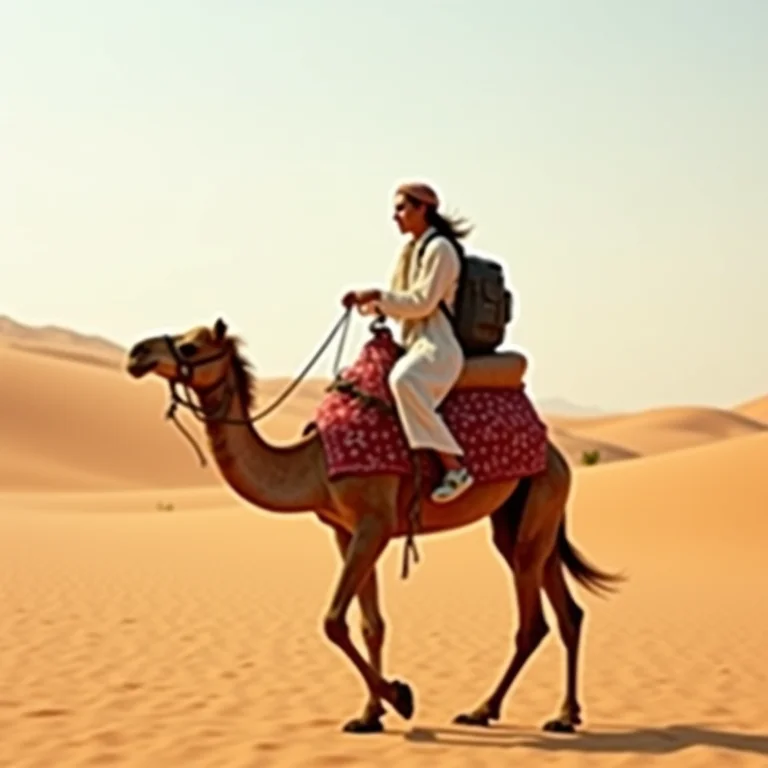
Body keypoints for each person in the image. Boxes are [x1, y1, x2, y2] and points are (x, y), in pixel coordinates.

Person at [341, 181, 474, 504]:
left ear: (423, 209)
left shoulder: (440, 250)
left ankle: (454, 467)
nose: (395, 216)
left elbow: (421, 303)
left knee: (404, 380)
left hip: (437, 347)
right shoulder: (410, 252)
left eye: (401, 208)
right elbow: (399, 299)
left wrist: (378, 297)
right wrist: (370, 305)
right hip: (412, 343)